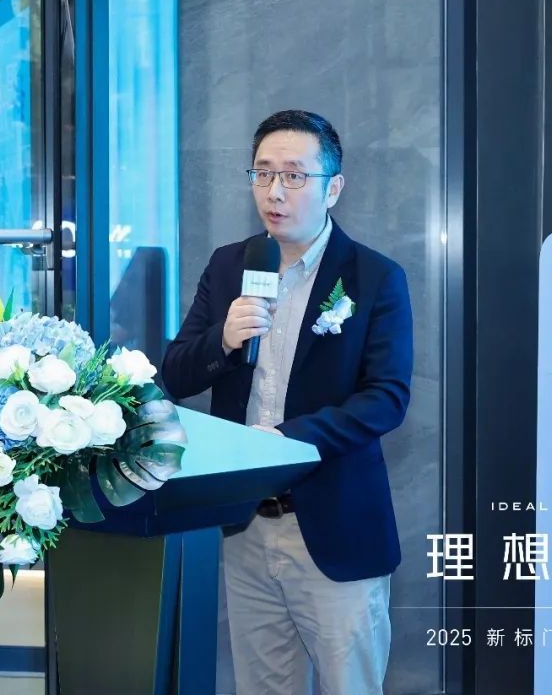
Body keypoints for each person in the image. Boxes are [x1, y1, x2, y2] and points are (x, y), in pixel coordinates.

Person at [162, 110, 413, 694]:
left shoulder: (374, 276)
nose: (274, 192)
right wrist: (223, 341)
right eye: (263, 173)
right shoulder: (231, 264)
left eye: (294, 176)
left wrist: (290, 442)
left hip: (335, 527)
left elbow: (387, 397)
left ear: (333, 187)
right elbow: (174, 373)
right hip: (246, 525)